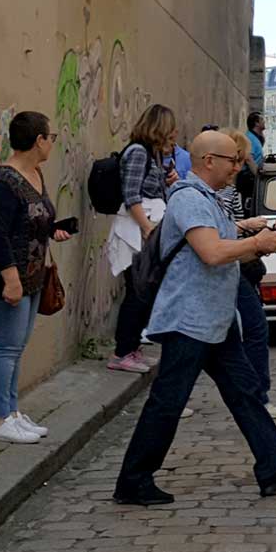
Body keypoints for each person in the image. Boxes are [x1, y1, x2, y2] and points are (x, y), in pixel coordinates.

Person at [114, 131, 276, 505]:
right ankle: (133, 480)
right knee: (167, 402)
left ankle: (274, 464)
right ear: (209, 161)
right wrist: (256, 244)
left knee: (246, 393)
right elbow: (210, 252)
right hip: (189, 320)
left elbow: (215, 238)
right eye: (232, 160)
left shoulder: (208, 199)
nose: (238, 166)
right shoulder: (190, 198)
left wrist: (246, 228)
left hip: (214, 320)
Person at [0, 111, 72, 444]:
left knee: (16, 348)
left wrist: (55, 230)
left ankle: (11, 410)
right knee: (4, 347)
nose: (52, 144)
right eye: (51, 137)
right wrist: (10, 279)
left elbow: (37, 220)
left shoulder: (35, 174)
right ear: (38, 140)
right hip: (8, 275)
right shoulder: (5, 180)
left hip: (33, 274)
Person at [106, 104, 179, 374]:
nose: (174, 136)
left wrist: (167, 180)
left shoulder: (154, 155)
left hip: (144, 230)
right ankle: (122, 351)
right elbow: (132, 195)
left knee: (144, 292)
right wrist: (148, 228)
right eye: (170, 131)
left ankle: (132, 347)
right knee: (136, 293)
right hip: (135, 234)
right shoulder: (138, 153)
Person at [221, 128, 276, 419]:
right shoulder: (209, 191)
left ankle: (255, 399)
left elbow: (229, 227)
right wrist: (249, 232)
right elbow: (216, 234)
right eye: (240, 158)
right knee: (254, 329)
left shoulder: (230, 188)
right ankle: (257, 398)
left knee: (237, 335)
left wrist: (252, 234)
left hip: (234, 266)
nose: (242, 165)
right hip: (225, 268)